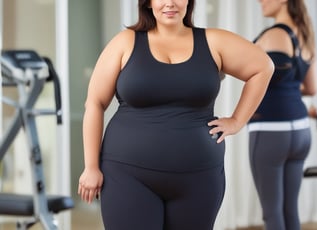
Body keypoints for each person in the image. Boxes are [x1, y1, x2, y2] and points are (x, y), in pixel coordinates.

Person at [78, 0, 273, 229]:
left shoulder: (213, 41)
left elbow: (263, 67)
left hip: (199, 177)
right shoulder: (126, 42)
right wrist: (91, 167)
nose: (170, 3)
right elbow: (94, 103)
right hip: (127, 175)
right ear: (148, 3)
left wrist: (237, 121)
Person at [248, 0, 317, 229]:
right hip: (300, 130)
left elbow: (255, 76)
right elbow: (311, 88)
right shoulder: (306, 35)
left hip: (270, 131)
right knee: (289, 209)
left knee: (272, 213)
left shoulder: (274, 35)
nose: (261, 1)